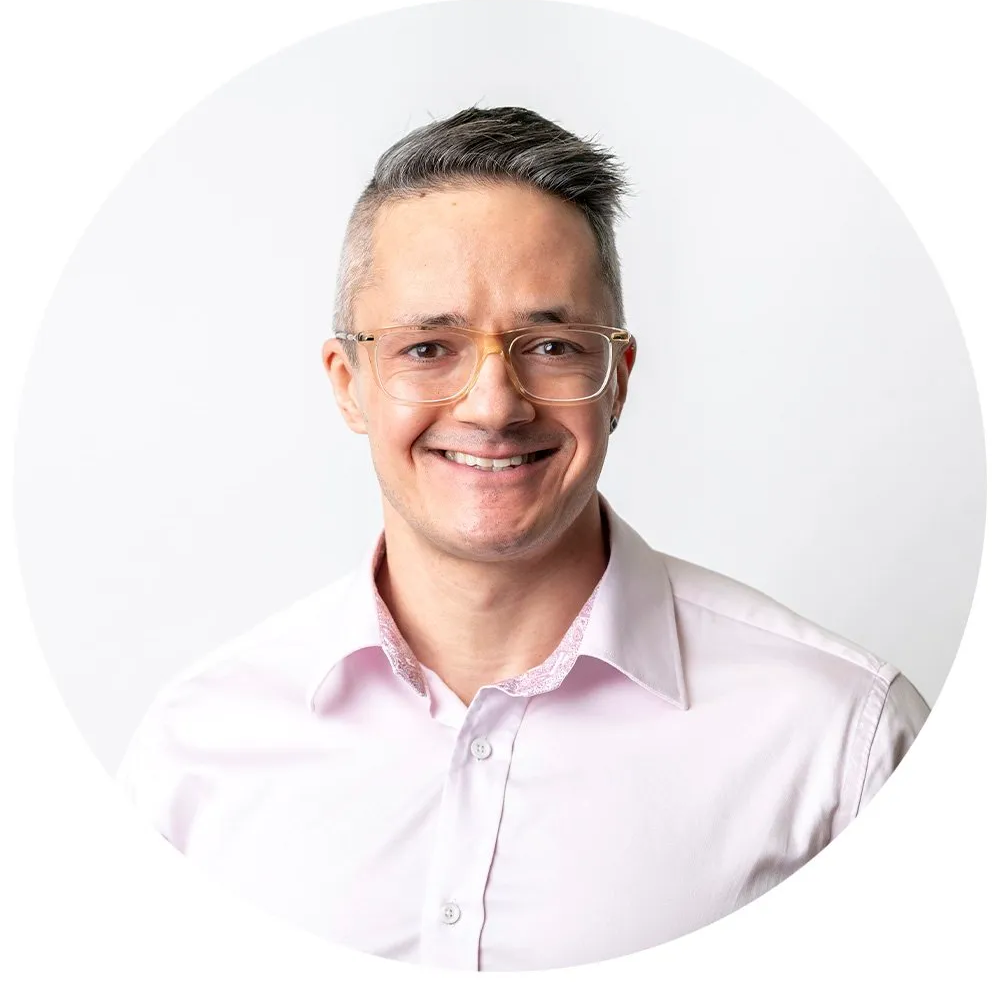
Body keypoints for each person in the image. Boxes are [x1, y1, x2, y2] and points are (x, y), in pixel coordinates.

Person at [117, 105, 930, 972]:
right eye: (429, 348)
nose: (494, 406)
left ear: (616, 380)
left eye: (549, 344)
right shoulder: (198, 747)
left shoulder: (839, 736)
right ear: (349, 385)